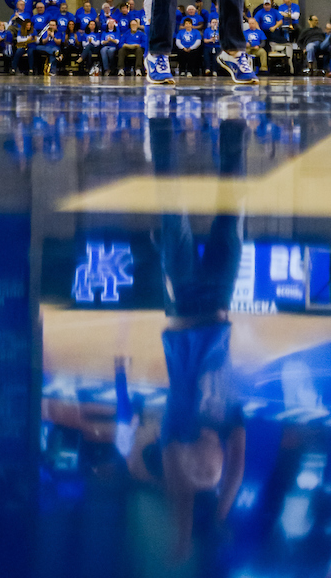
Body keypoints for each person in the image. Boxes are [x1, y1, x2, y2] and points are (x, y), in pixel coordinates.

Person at [159, 213, 246, 564]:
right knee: (234, 204)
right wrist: (220, 516)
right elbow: (235, 471)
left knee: (172, 209)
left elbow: (180, 495)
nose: (201, 472)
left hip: (183, 296)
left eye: (194, 474)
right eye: (209, 474)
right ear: (221, 459)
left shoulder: (177, 426)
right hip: (220, 295)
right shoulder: (229, 421)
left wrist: (182, 537)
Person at [254, 0, 293, 72]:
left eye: (268, 5)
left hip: (273, 30)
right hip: (263, 31)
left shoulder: (274, 11)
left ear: (270, 5)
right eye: (265, 5)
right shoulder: (260, 12)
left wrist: (274, 27)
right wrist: (259, 29)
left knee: (275, 37)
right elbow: (255, 21)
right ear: (263, 5)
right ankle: (264, 66)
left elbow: (280, 21)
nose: (267, 6)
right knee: (264, 43)